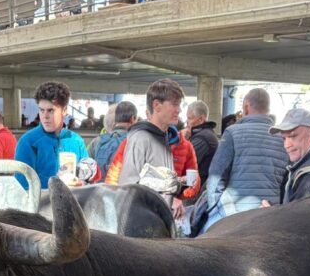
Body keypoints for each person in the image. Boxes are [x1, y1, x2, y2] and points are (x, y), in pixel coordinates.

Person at [197, 88, 288, 233]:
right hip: (270, 214)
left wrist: (213, 208)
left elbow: (215, 177)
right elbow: (285, 184)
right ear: (268, 108)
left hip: (234, 213)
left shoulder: (233, 132)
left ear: (246, 107)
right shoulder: (283, 139)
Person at [117, 78, 185, 213]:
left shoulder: (163, 137)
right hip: (145, 225)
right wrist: (170, 186)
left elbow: (153, 179)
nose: (179, 110)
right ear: (157, 105)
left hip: (159, 221)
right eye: (175, 104)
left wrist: (174, 192)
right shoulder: (141, 139)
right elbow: (127, 186)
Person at [14, 81, 93, 189]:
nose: (45, 116)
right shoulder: (28, 142)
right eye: (41, 110)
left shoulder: (76, 141)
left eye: (51, 110)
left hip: (72, 203)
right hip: (41, 204)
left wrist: (83, 182)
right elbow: (22, 184)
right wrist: (59, 185)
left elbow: (86, 177)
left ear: (64, 110)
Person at [93, 101, 137, 175]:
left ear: (116, 119)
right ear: (133, 119)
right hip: (125, 186)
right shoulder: (136, 141)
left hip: (101, 186)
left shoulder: (97, 141)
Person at [186, 100, 219, 184]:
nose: (187, 122)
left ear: (201, 119)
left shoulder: (202, 138)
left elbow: (184, 162)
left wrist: (183, 139)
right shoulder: (206, 133)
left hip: (198, 189)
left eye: (190, 118)